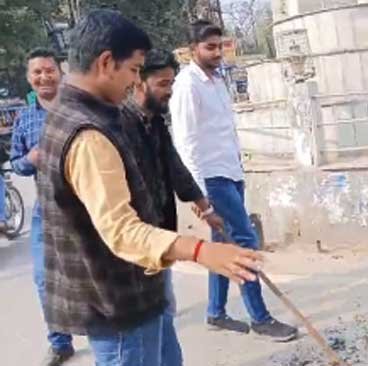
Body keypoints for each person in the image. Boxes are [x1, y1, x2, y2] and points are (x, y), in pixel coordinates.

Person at [37, 10, 263, 365]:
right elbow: (121, 230)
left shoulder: (81, 115)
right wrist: (201, 251)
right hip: (120, 302)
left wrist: (201, 205)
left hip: (139, 291)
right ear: (106, 62)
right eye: (132, 70)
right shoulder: (88, 133)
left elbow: (171, 165)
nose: (134, 82)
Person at [170, 20, 298, 341]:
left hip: (231, 172)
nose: (216, 53)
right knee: (243, 242)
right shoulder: (188, 85)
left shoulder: (217, 80)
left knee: (222, 244)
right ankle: (261, 317)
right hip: (211, 179)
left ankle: (215, 312)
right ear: (191, 51)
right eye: (209, 47)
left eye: (219, 46)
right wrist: (198, 196)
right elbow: (185, 144)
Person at [120, 48, 227, 365]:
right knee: (143, 328)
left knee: (164, 312)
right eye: (163, 84)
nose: (170, 91)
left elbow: (175, 167)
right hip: (135, 242)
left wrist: (205, 208)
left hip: (160, 236)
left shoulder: (154, 121)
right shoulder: (120, 126)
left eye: (172, 83)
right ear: (139, 82)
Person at [10, 48, 74, 366]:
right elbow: (16, 163)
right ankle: (60, 342)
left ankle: (114, 328)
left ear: (59, 73)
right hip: (45, 210)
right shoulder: (24, 118)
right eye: (37, 72)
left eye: (49, 70)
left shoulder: (77, 108)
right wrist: (28, 159)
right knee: (44, 278)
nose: (43, 77)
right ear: (29, 78)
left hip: (85, 209)